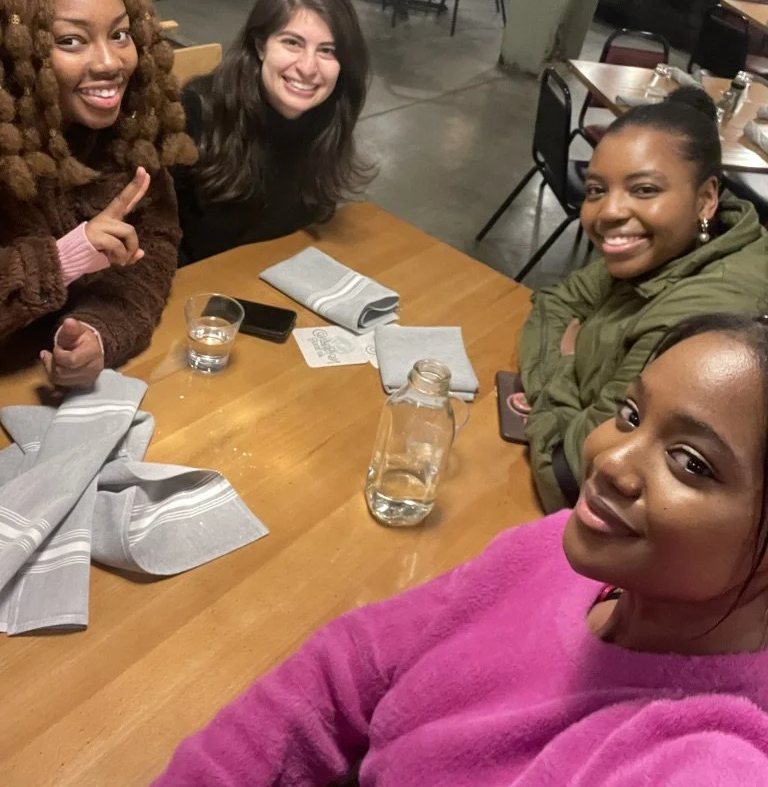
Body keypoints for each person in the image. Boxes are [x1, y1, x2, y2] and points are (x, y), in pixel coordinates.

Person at [153, 313, 768, 785]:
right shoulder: (555, 548)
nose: (610, 461)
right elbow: (352, 664)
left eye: (691, 463)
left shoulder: (709, 753)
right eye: (631, 414)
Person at [518, 87, 768, 512]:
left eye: (644, 190)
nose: (609, 212)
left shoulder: (707, 310)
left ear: (706, 198)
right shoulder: (669, 244)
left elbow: (569, 475)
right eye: (596, 189)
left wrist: (560, 368)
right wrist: (572, 388)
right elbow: (555, 303)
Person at [0, 0, 196, 387]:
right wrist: (67, 258)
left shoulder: (129, 134)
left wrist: (100, 333)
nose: (110, 63)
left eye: (119, 34)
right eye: (71, 41)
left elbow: (153, 246)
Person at [173, 0, 372, 265]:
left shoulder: (328, 117)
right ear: (260, 45)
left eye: (327, 51)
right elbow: (152, 239)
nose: (308, 67)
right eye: (293, 42)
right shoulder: (195, 114)